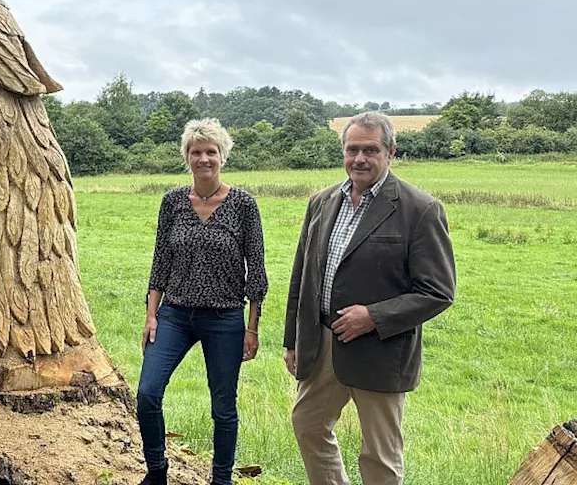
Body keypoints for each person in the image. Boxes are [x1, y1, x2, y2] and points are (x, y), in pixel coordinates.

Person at [283, 111, 456, 485]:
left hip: (380, 350)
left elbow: (438, 291)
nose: (359, 158)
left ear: (390, 152)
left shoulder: (420, 209)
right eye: (352, 149)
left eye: (370, 149)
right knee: (308, 424)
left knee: (379, 455)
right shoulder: (322, 202)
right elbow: (303, 276)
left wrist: (374, 316)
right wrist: (293, 341)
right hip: (323, 342)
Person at [137, 118, 268, 485]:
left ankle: (221, 479)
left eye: (211, 151)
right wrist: (151, 316)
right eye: (197, 152)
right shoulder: (173, 202)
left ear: (222, 156)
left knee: (223, 406)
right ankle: (157, 471)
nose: (204, 158)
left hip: (225, 317)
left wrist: (252, 327)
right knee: (148, 392)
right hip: (175, 314)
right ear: (187, 157)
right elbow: (160, 261)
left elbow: (255, 269)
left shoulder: (243, 204)